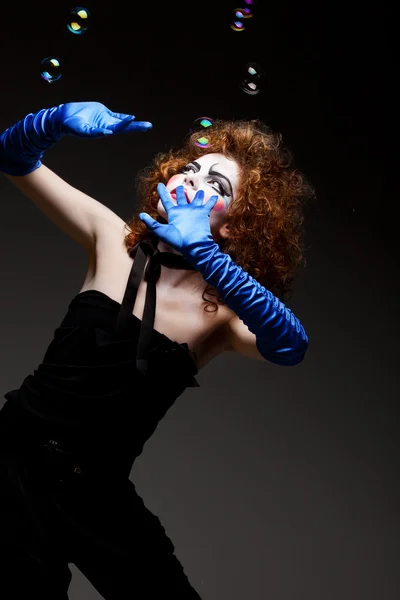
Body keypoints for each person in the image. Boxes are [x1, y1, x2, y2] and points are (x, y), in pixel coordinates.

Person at [0, 101, 315, 599]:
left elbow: (291, 346)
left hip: (97, 490)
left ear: (235, 223)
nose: (194, 179)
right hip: (10, 461)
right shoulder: (113, 239)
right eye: (191, 168)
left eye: (218, 185)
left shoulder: (226, 317)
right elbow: (13, 158)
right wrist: (55, 119)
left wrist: (207, 257)